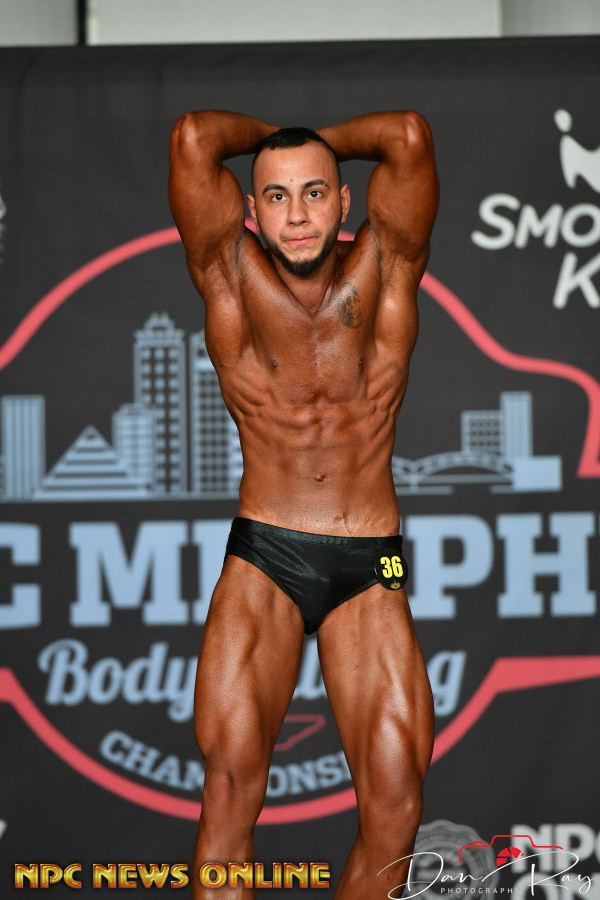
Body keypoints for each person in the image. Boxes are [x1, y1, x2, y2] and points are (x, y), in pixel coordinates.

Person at [169, 108, 439, 899]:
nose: (297, 215)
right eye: (278, 197)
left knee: (397, 805)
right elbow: (193, 138)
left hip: (369, 562)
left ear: (345, 202)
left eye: (315, 193)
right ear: (251, 210)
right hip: (268, 555)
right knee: (229, 786)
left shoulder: (386, 268)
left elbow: (407, 137)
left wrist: (314, 138)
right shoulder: (230, 273)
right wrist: (285, 143)